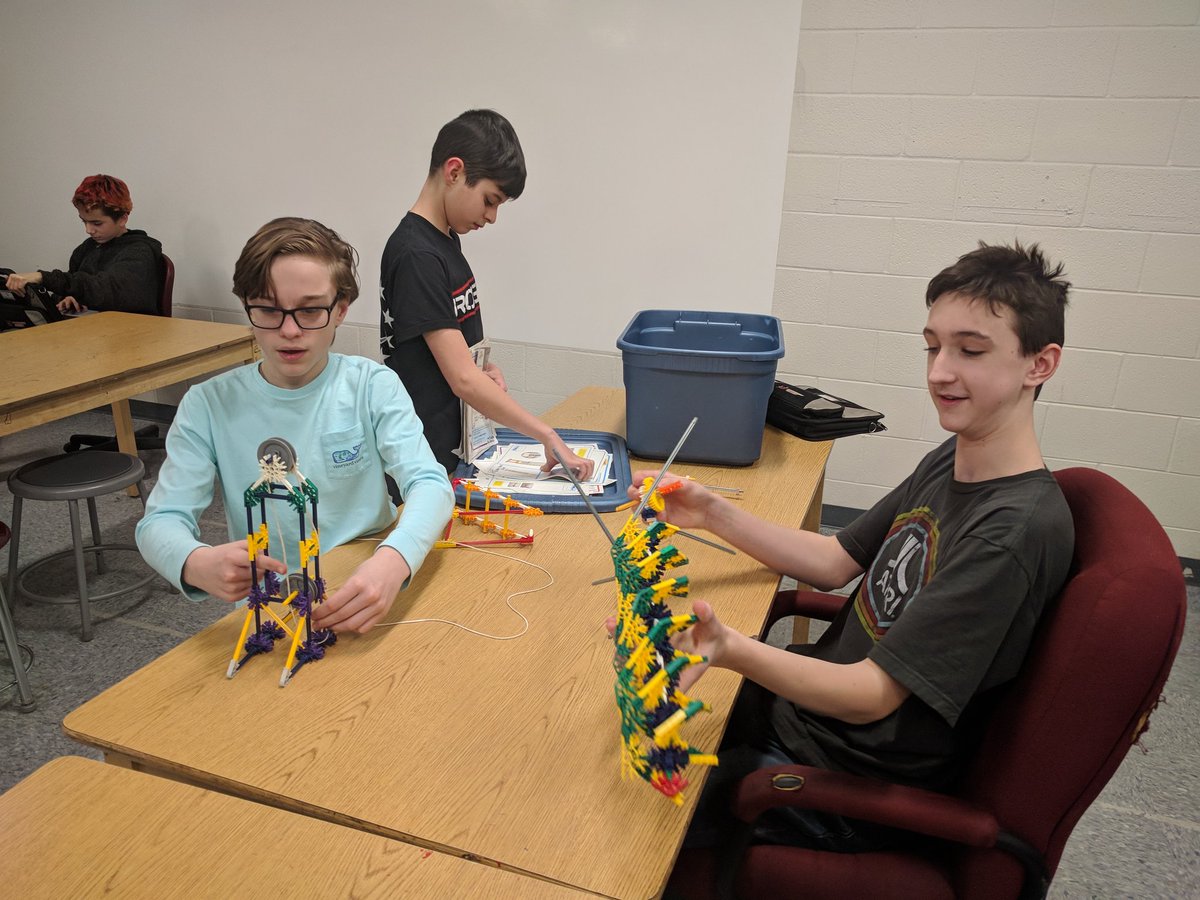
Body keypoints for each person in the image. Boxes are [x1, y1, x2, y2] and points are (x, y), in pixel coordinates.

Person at [633, 241, 1075, 852]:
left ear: (1039, 365)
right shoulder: (954, 456)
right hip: (807, 718)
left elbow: (872, 697)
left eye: (970, 350)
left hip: (843, 779)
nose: (939, 371)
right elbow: (833, 561)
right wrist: (711, 512)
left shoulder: (1012, 532)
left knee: (624, 814)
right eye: (932, 346)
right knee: (615, 703)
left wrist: (731, 648)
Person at [136, 217, 454, 634]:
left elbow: (430, 483)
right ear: (247, 307)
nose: (289, 331)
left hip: (366, 587)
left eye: (309, 310)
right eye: (268, 309)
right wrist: (195, 561)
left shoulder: (371, 386)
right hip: (274, 607)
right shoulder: (208, 405)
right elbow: (159, 522)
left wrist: (394, 560)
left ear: (340, 310)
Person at [379, 109, 594, 481]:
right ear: (454, 172)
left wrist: (484, 371)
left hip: (454, 449)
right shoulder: (417, 255)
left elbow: (454, 359)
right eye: (489, 200)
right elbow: (461, 379)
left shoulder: (445, 241)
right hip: (422, 458)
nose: (492, 217)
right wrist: (546, 434)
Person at [4, 174, 163, 315]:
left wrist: (42, 277)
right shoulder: (86, 248)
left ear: (122, 219)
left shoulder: (140, 252)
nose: (88, 230)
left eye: (97, 223)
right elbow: (74, 283)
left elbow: (105, 290)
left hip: (131, 333)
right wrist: (67, 298)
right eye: (84, 221)